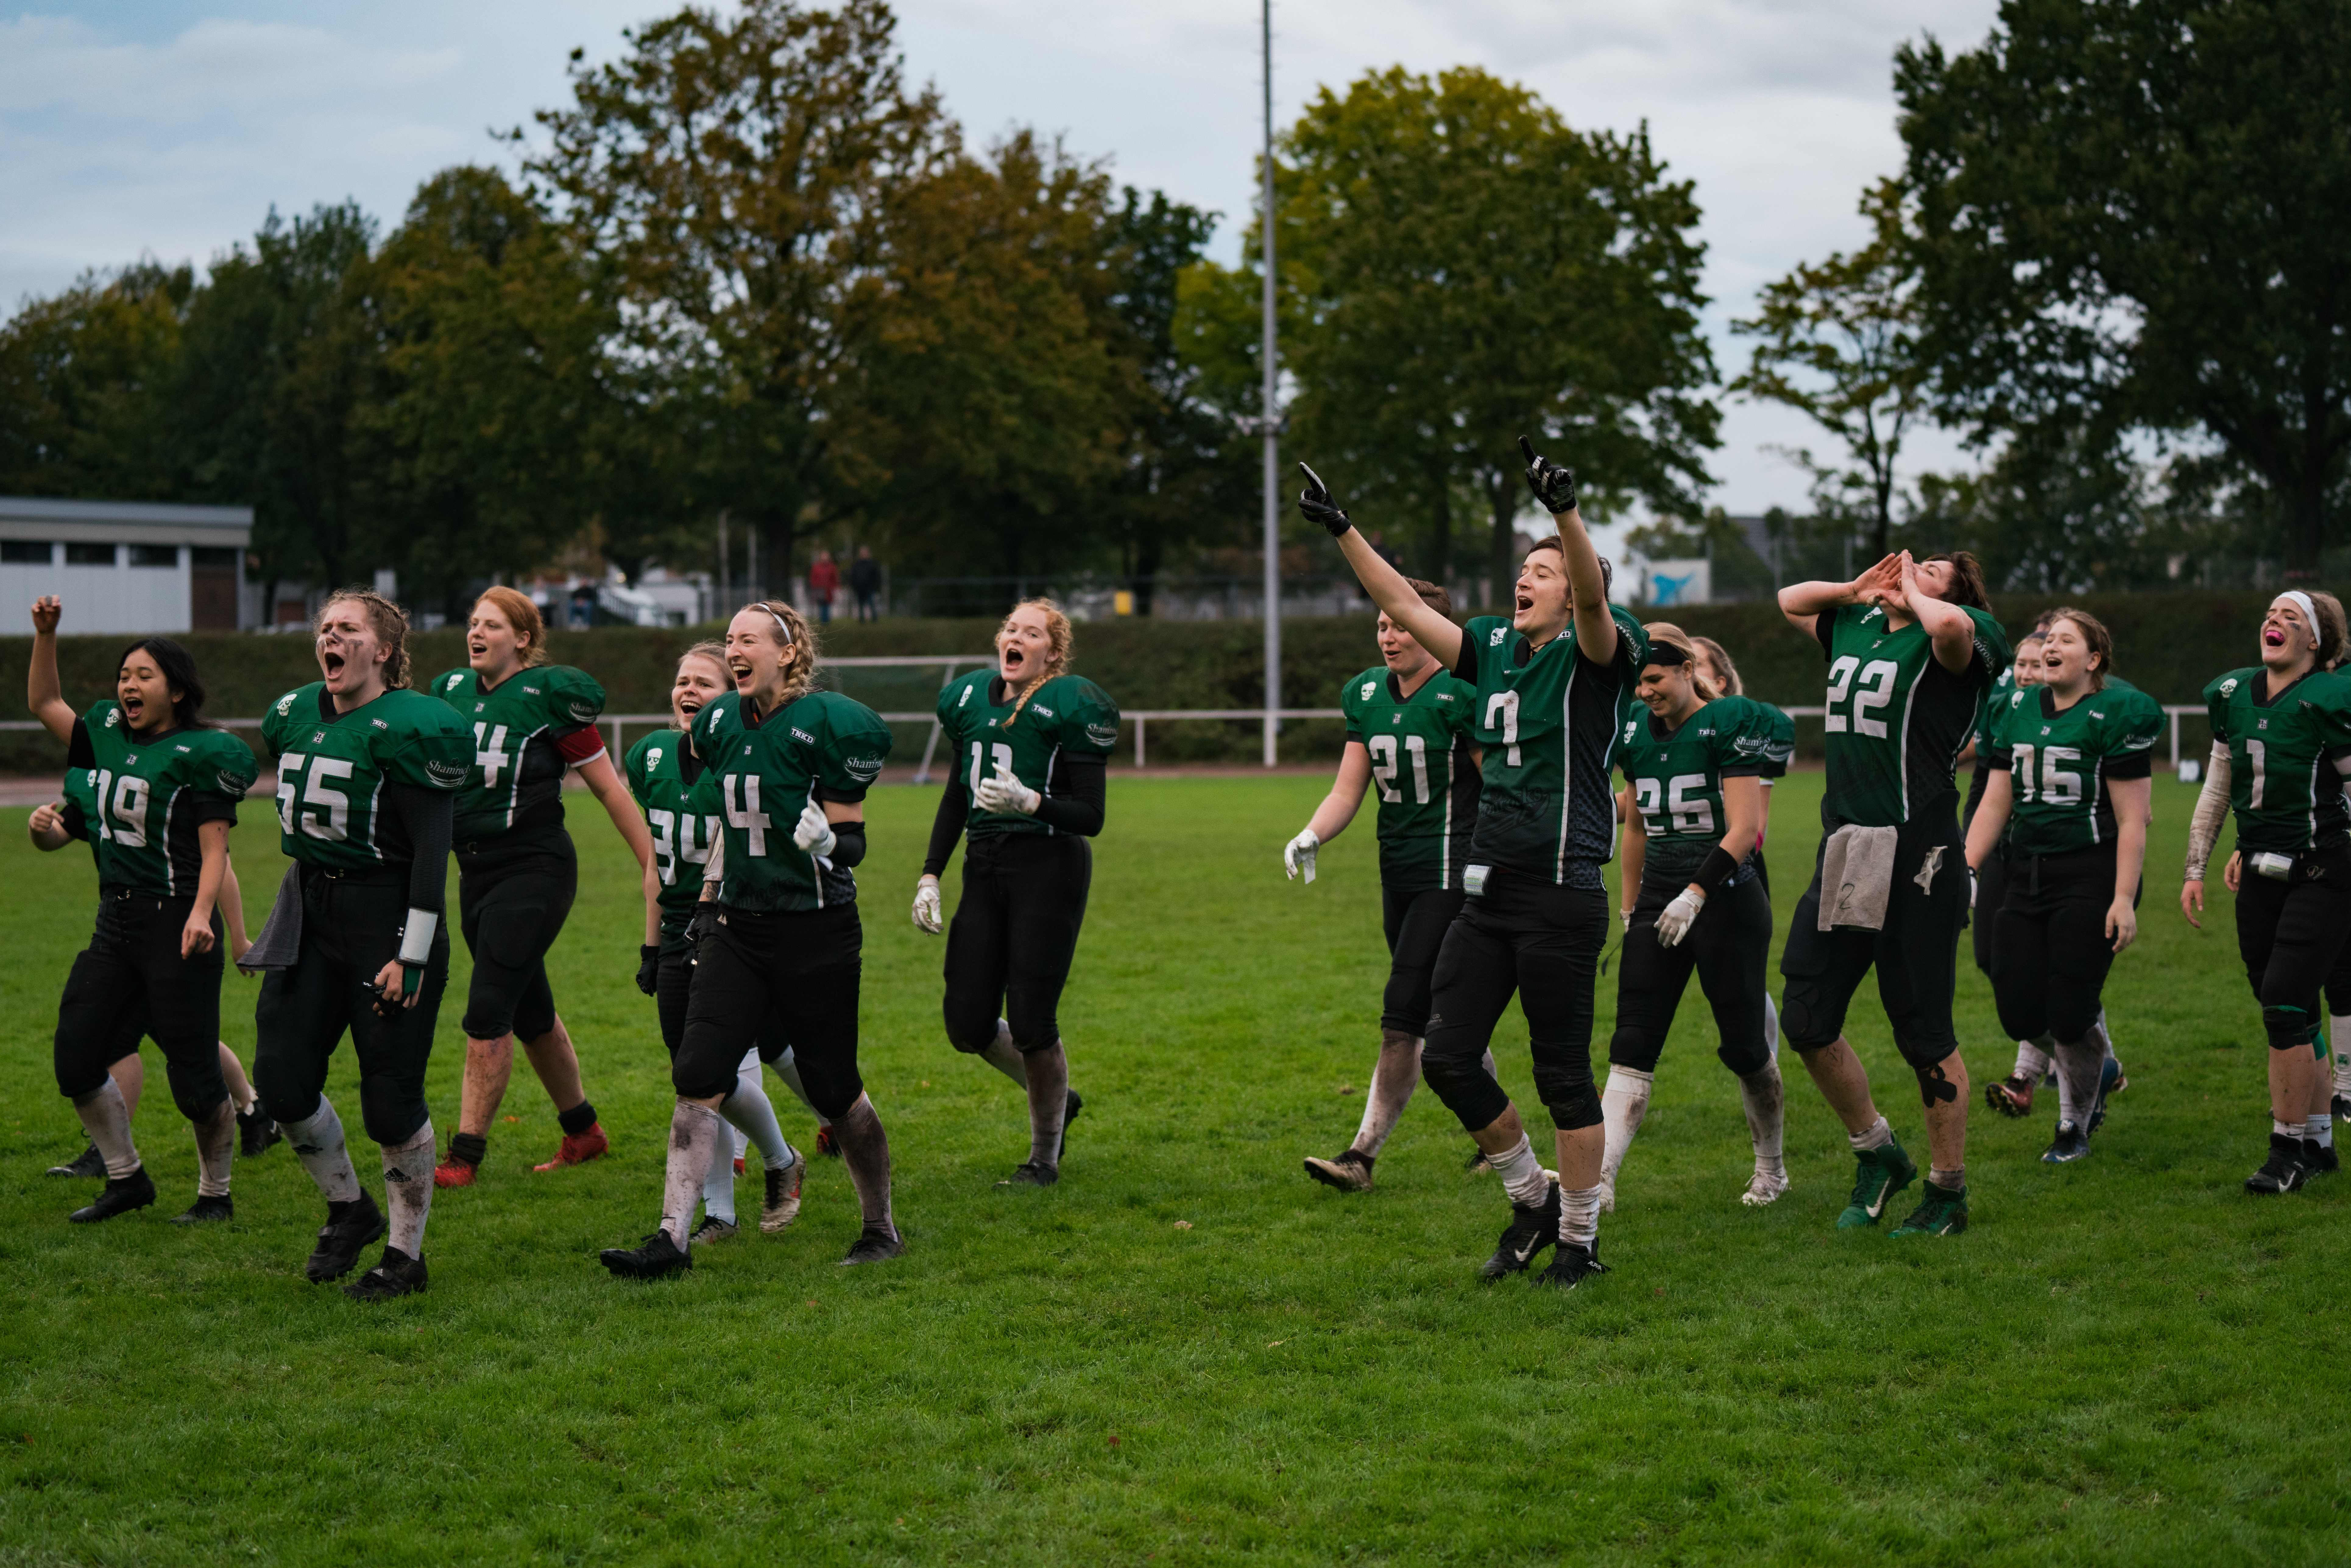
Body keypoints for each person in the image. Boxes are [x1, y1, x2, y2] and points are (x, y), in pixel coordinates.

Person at [1300, 437, 1642, 1292]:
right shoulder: (1490, 647)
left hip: (1561, 893)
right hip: (1485, 894)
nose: (1525, 579)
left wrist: (1565, 513)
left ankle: (1577, 1241)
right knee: (1447, 1055)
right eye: (1523, 568)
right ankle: (1531, 1199)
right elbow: (1397, 600)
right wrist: (1343, 529)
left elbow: (1593, 602)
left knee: (1562, 1076)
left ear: (1572, 589)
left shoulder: (1595, 650)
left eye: (1543, 571)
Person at [600, 602, 901, 1277]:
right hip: (736, 924)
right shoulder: (718, 722)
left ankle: (881, 1228)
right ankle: (671, 1239)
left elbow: (852, 842)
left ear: (787, 653)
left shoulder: (830, 722)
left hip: (814, 926)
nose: (733, 649)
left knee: (832, 1084)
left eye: (747, 639)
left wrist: (828, 842)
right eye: (729, 639)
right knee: (697, 1069)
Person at [1774, 550, 2010, 1238]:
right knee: (1805, 1016)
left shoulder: (1961, 632)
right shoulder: (1857, 625)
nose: (1912, 567)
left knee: (1922, 1030)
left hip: (1920, 852)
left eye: (1932, 568)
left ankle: (1947, 1191)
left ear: (1955, 594)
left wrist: (1916, 591)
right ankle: (1877, 1152)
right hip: (1848, 843)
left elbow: (1950, 629)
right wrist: (1855, 587)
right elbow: (1790, 599)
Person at [249, 589, 472, 1299]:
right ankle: (349, 1207)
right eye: (324, 628)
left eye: (348, 628)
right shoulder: (294, 713)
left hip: (388, 914)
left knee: (389, 1096)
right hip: (312, 910)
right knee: (281, 1080)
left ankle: (406, 1256)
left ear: (383, 649)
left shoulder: (415, 726)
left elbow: (431, 852)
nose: (330, 637)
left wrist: (412, 953)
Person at [24, 597, 261, 1224]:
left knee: (195, 1078)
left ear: (177, 690)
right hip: (117, 921)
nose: (129, 684)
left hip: (178, 921)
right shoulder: (105, 738)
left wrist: (204, 915)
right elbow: (45, 703)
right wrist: (46, 636)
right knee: (77, 1056)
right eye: (124, 675)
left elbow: (216, 851)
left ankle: (216, 1195)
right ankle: (126, 1177)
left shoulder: (203, 752)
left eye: (144, 675)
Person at [426, 588, 649, 1187]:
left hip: (535, 868)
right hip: (474, 873)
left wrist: (651, 863)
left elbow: (608, 787)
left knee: (488, 1007)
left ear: (523, 638)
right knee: (530, 1011)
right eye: (473, 622)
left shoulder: (548, 696)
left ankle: (464, 1156)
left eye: (492, 625)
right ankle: (584, 1130)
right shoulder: (450, 691)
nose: (476, 633)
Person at [1283, 579, 1485, 1192]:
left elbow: (1499, 785)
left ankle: (1360, 1157)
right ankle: (1496, 1138)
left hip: (1450, 873)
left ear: (1431, 629)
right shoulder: (1365, 692)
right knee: (1443, 1015)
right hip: (1396, 872)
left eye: (1400, 624)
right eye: (1382, 625)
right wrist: (1312, 833)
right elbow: (1348, 788)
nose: (1389, 636)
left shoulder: (1462, 691)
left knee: (1403, 1016)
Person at [914, 599, 1117, 1186]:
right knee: (966, 1023)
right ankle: (1058, 1096)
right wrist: (930, 872)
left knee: (1031, 1020)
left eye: (1032, 632)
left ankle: (1042, 1157)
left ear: (1052, 653)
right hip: (984, 862)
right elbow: (957, 793)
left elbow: (1091, 815)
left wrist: (1032, 801)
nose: (1016, 637)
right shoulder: (968, 699)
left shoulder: (1069, 703)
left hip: (1048, 863)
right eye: (1011, 628)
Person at [624, 642, 810, 1238]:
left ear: (731, 699)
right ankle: (735, 1200)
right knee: (694, 1076)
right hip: (677, 930)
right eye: (683, 680)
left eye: (704, 683)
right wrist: (651, 946)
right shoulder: (650, 756)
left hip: (732, 928)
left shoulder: (744, 762)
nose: (689, 691)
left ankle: (760, 1176)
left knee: (712, 1069)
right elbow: (654, 862)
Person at [1601, 623, 1787, 1209]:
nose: (1645, 691)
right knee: (1631, 1038)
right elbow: (1635, 826)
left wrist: (1695, 892)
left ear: (1686, 668)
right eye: (1637, 682)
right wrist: (1630, 906)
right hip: (1659, 892)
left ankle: (1771, 1168)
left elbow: (1744, 830)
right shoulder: (1634, 727)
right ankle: (1598, 1180)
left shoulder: (1727, 721)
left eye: (1655, 678)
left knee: (1744, 1046)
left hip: (1726, 897)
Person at [1964, 610, 2159, 1164]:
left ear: (2093, 660)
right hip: (2025, 872)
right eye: (2049, 638)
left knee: (2071, 1012)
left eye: (2065, 640)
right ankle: (2098, 1065)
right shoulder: (2014, 707)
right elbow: (1994, 801)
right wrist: (1966, 867)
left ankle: (2072, 1125)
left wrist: (2122, 897)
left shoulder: (2116, 712)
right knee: (2018, 1010)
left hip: (2088, 872)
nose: (2050, 646)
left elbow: (2132, 819)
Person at [2181, 590, 2351, 1194]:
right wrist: (2194, 866)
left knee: (2283, 1003)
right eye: (2270, 613)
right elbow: (2217, 786)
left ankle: (2285, 1153)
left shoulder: (2329, 696)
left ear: (2315, 640)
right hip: (2257, 869)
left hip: (2322, 868)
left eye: (2291, 617)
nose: (2273, 621)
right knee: (2289, 1008)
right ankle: (2318, 1142)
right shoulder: (2232, 693)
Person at [32, 782, 277, 1174]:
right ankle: (252, 1108)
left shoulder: (169, 772)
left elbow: (220, 861)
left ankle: (111, 1155)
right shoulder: (98, 776)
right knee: (180, 1037)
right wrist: (38, 828)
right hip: (125, 927)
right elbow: (59, 834)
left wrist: (238, 936)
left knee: (127, 1039)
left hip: (179, 928)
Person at [850, 546, 882, 623]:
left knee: (871, 602)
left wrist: (874, 586)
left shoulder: (872, 564)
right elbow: (853, 576)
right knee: (861, 604)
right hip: (859, 588)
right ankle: (862, 619)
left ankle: (874, 618)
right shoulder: (857, 565)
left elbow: (876, 576)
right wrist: (854, 585)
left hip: (870, 587)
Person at [809, 550, 840, 626]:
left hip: (829, 590)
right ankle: (823, 621)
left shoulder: (832, 567)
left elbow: (835, 578)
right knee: (821, 604)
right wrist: (815, 587)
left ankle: (827, 621)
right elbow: (813, 578)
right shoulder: (816, 567)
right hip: (819, 589)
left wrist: (835, 587)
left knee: (828, 605)